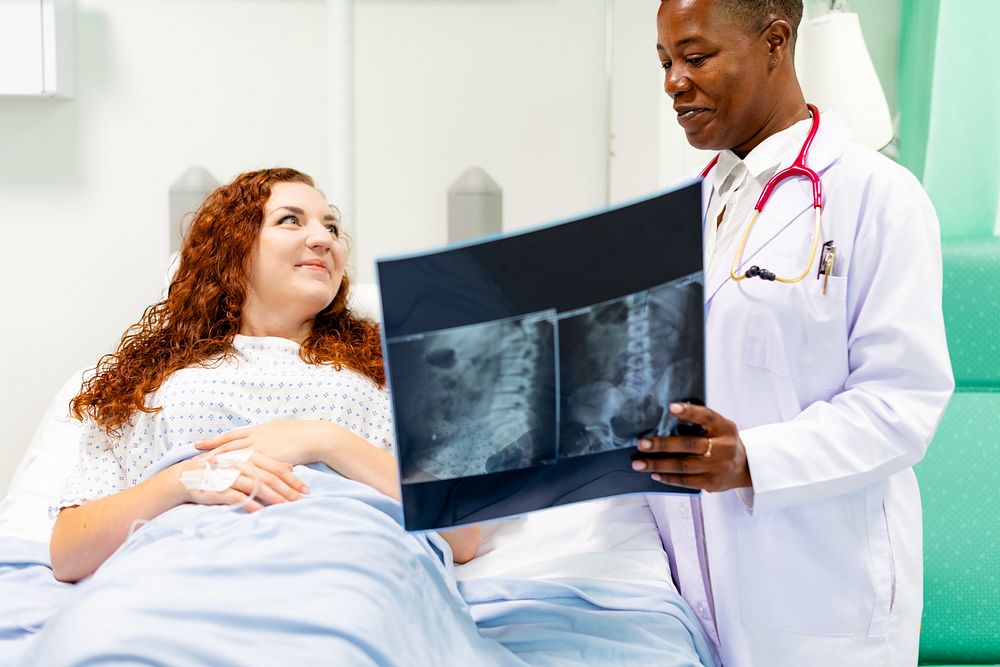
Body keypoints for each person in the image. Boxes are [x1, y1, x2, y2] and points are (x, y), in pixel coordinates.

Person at [634, 1, 953, 665]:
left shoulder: (877, 197)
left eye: (695, 57)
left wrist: (751, 457)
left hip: (818, 596)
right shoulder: (690, 206)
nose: (673, 82)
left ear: (775, 41)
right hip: (691, 593)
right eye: (666, 62)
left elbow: (903, 403)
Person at [50, 167, 479, 583]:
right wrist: (183, 481)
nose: (323, 239)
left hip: (345, 573)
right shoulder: (148, 383)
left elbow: (462, 535)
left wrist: (327, 440)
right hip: (179, 574)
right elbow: (69, 554)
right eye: (291, 220)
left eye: (331, 227)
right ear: (233, 248)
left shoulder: (390, 374)